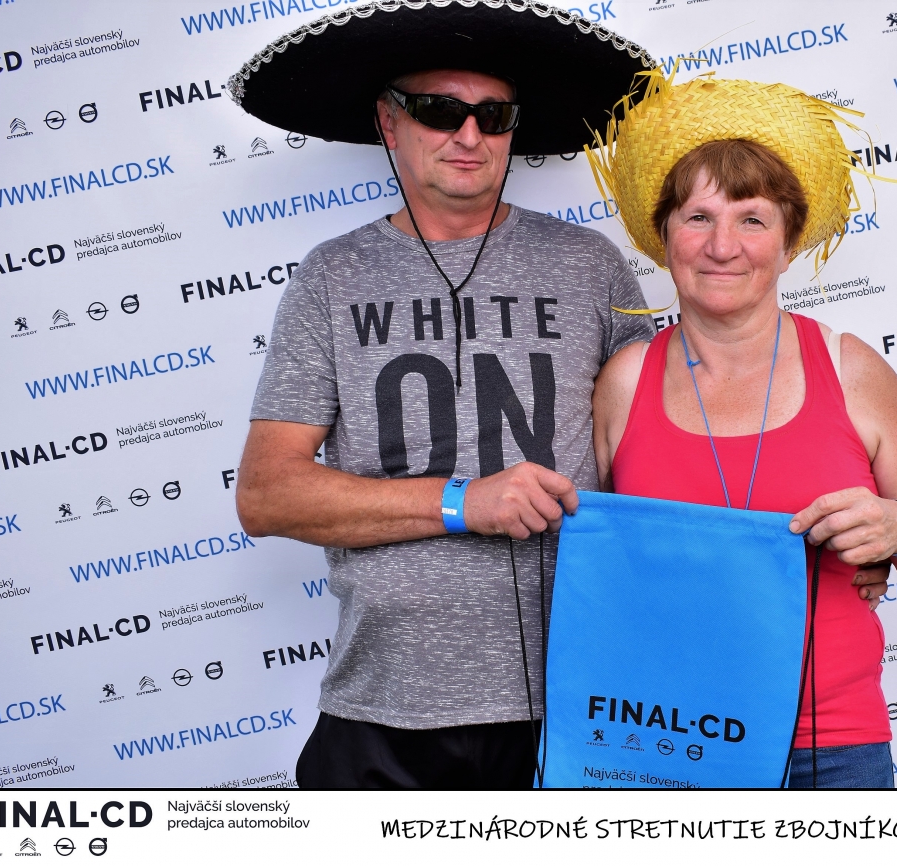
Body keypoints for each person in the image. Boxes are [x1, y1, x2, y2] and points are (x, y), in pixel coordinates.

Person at [225, 4, 667, 790]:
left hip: (580, 700)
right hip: (385, 709)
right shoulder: (332, 276)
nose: (469, 135)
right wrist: (465, 502)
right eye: (439, 110)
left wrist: (804, 557)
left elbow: (670, 451)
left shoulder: (589, 264)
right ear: (389, 122)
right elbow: (267, 494)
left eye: (493, 117)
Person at [589, 74, 897, 788]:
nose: (722, 245)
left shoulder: (850, 369)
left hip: (833, 748)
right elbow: (602, 561)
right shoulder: (625, 381)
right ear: (664, 238)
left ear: (789, 244)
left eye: (752, 220)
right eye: (698, 217)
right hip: (667, 741)